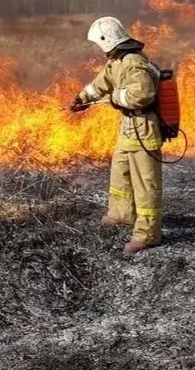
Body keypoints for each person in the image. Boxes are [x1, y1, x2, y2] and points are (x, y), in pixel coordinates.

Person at [70, 16, 164, 254]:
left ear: (105, 39)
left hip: (144, 127)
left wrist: (115, 99)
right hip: (129, 126)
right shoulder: (116, 61)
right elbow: (102, 83)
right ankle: (121, 214)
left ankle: (148, 234)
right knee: (120, 172)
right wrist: (82, 98)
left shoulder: (133, 62)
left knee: (145, 183)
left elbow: (143, 94)